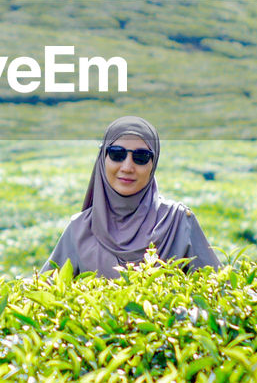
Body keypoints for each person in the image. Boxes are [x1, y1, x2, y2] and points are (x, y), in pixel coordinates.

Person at [44, 115, 219, 278]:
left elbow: (219, 290)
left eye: (141, 157)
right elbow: (42, 293)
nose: (127, 167)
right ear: (103, 158)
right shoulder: (80, 229)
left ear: (153, 164)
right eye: (117, 154)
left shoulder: (178, 222)